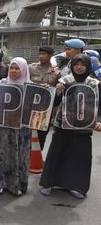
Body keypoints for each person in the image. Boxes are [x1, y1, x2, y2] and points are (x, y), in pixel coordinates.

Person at [40, 54, 101, 199]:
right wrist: (57, 91)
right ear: (72, 66)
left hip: (84, 127)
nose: (79, 67)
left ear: (88, 67)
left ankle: (76, 186)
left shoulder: (94, 83)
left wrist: (98, 120)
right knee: (57, 153)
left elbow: (99, 105)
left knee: (80, 156)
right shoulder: (64, 80)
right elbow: (55, 102)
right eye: (76, 64)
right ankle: (49, 183)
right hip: (63, 125)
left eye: (82, 65)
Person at [0, 57, 32, 196]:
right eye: (12, 68)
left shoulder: (30, 86)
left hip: (21, 129)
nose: (14, 71)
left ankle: (17, 184)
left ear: (24, 70)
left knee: (18, 155)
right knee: (1, 153)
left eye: (17, 68)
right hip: (2, 126)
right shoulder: (2, 83)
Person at [29, 46, 61, 149]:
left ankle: (37, 158)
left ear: (51, 56)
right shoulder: (31, 68)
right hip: (30, 106)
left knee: (42, 134)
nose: (41, 56)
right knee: (27, 133)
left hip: (46, 109)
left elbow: (58, 91)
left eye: (44, 54)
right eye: (40, 54)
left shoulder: (56, 72)